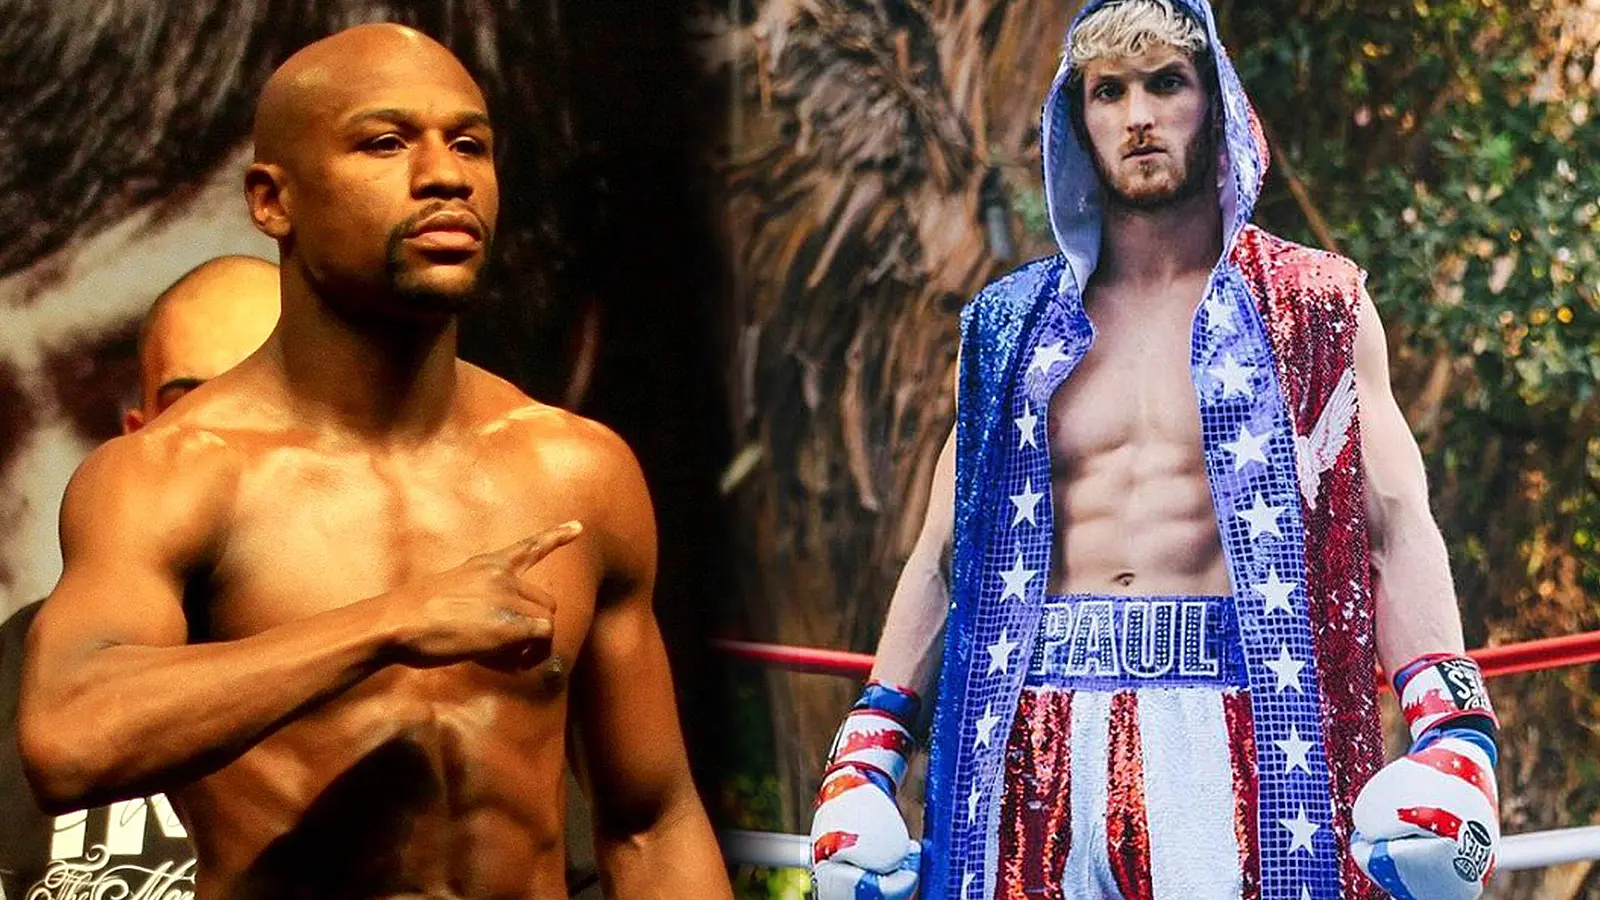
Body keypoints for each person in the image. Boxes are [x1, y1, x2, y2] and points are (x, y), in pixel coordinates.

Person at [18, 24, 729, 900]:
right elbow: (70, 738)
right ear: (272, 201)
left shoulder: (577, 471)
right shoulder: (174, 475)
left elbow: (650, 823)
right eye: (385, 142)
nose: (444, 175)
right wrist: (392, 622)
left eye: (469, 143)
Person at [808, 2, 1500, 900]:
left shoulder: (1314, 306)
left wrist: (1453, 734)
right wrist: (864, 756)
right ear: (1078, 118)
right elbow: (944, 555)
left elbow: (1395, 524)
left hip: (1242, 734)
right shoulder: (1010, 328)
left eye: (1165, 83)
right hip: (1030, 742)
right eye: (1109, 91)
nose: (1137, 115)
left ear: (1213, 103)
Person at [0, 255, 279, 897]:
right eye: (193, 407)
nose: (225, 442)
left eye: (269, 404)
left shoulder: (408, 672)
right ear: (137, 439)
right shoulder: (19, 670)